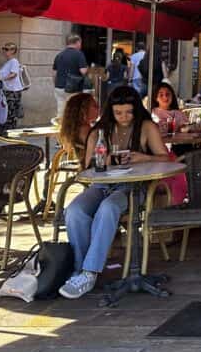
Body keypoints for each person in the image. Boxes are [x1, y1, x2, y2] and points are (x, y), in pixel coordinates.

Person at [59, 86, 171, 299]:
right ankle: (80, 269)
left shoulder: (147, 127)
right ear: (110, 111)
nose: (124, 117)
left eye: (128, 112)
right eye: (118, 113)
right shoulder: (100, 131)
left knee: (109, 208)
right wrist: (106, 160)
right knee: (74, 210)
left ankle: (90, 271)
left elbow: (165, 158)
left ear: (136, 109)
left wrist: (144, 158)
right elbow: (86, 165)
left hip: (133, 186)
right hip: (101, 184)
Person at [52, 33, 88, 118]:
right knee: (73, 113)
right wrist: (87, 68)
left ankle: (61, 129)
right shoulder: (79, 54)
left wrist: (56, 85)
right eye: (80, 43)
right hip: (73, 88)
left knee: (61, 113)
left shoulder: (59, 55)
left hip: (59, 87)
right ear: (78, 42)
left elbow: (54, 73)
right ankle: (71, 130)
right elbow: (83, 71)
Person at [57, 92, 99, 164]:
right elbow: (97, 152)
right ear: (83, 110)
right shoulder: (85, 130)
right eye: (94, 106)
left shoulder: (76, 128)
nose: (98, 108)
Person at [0, 42, 25, 131]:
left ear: (12, 51)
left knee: (11, 112)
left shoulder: (14, 61)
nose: (4, 51)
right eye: (4, 49)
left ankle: (10, 132)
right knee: (7, 112)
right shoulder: (8, 62)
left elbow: (13, 74)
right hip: (8, 90)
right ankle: (7, 131)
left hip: (13, 91)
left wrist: (1, 79)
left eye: (6, 49)